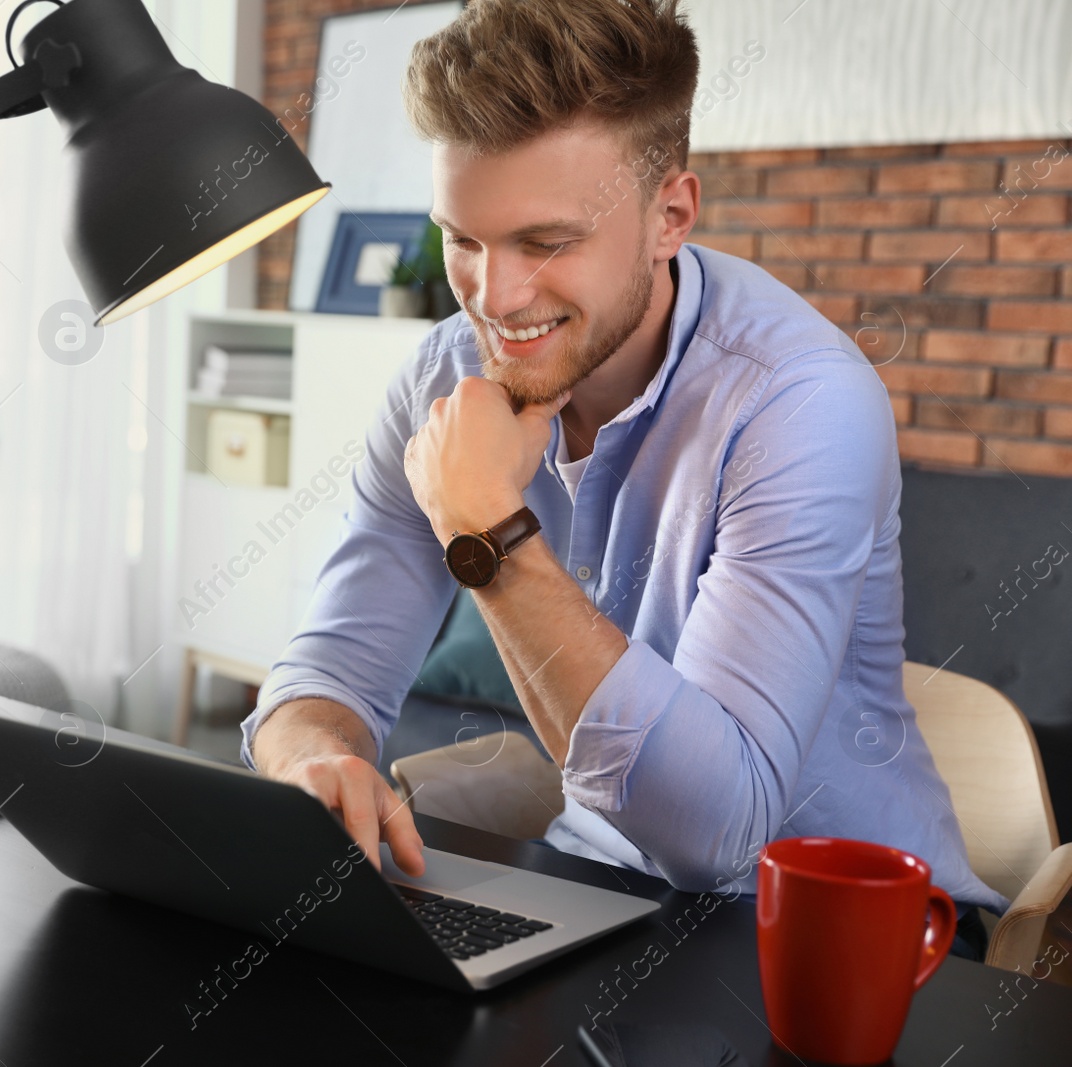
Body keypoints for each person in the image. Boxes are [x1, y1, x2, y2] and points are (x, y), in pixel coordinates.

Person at [238, 0, 1007, 955]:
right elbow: (326, 673)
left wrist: (488, 526)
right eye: (463, 239)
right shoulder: (442, 374)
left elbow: (717, 836)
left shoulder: (803, 404)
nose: (494, 296)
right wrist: (314, 755)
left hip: (852, 939)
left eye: (546, 243)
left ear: (669, 216)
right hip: (599, 897)